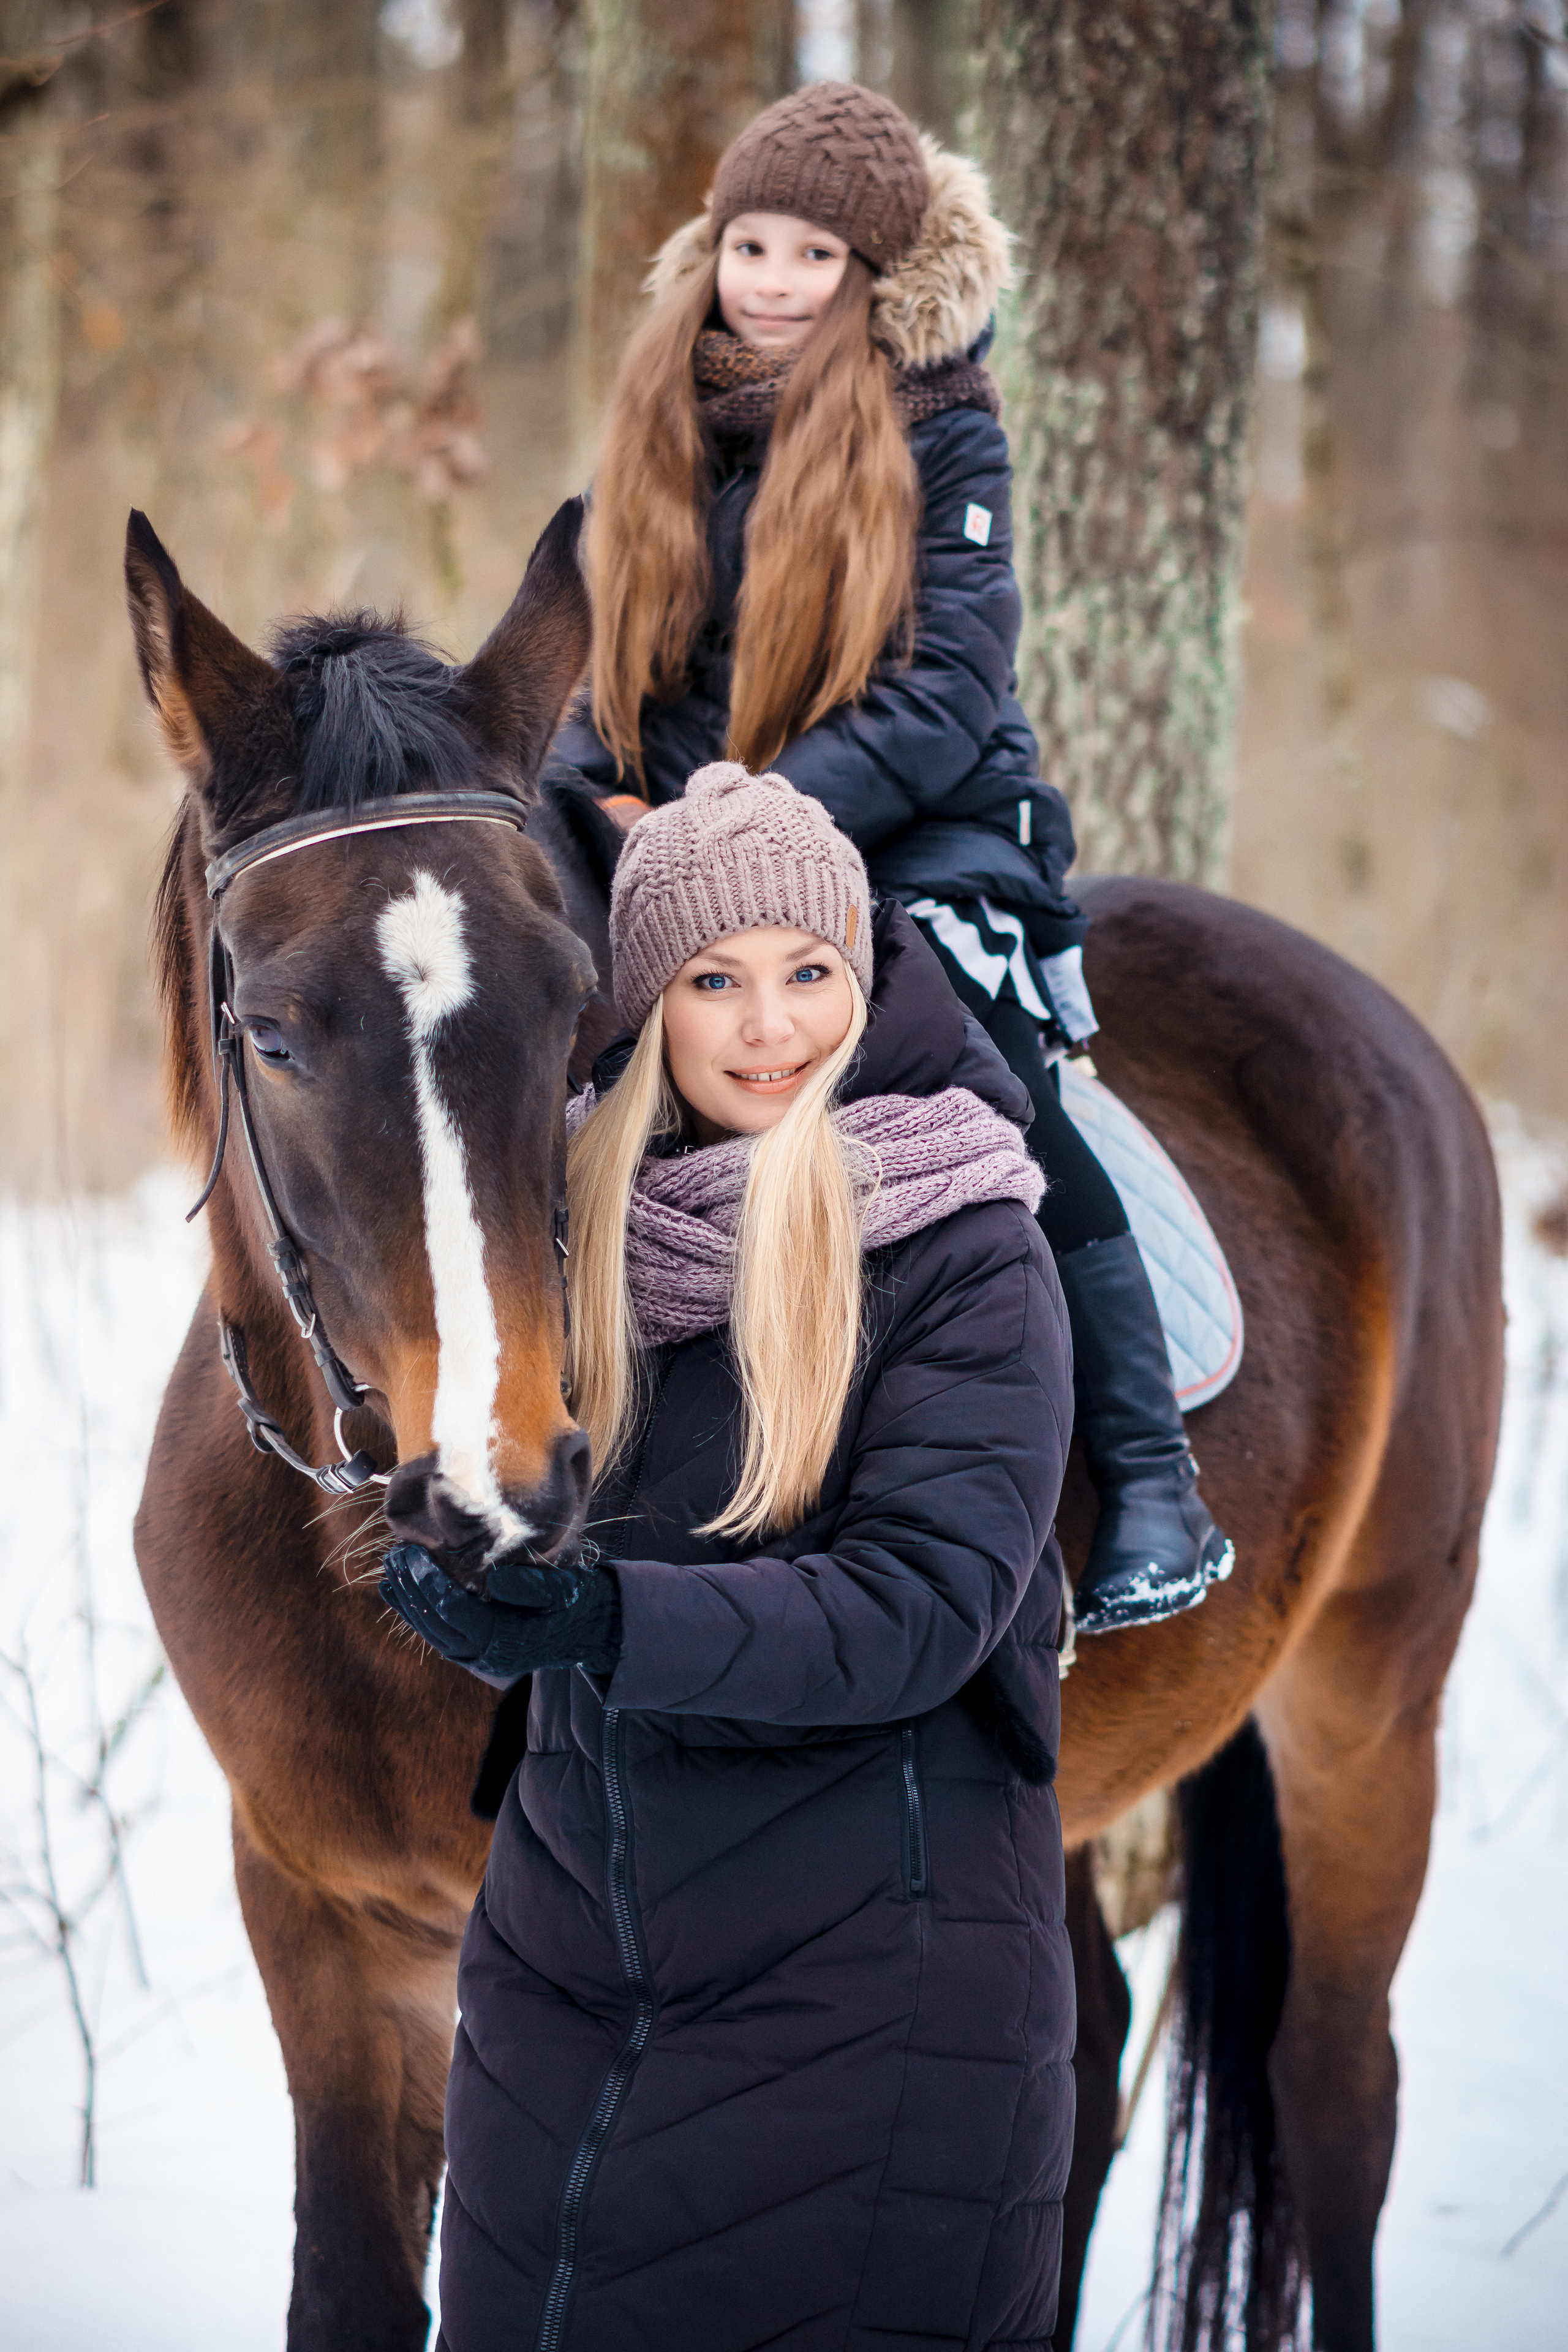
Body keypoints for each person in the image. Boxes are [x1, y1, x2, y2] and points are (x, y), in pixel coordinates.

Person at [382, 764, 1077, 2351]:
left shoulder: (964, 1242)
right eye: (715, 980)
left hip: (868, 2000)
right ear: (651, 1009)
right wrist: (486, 1595)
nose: (771, 1028)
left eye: (807, 972)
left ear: (864, 975)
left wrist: (604, 1619)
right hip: (563, 1983)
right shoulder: (576, 1232)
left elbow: (925, 1606)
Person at [556, 78, 1231, 1634]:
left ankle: (1143, 1479)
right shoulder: (656, 430)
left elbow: (945, 697)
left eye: (813, 258)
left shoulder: (948, 441)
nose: (775, 284)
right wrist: (586, 802)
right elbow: (580, 671)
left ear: (872, 279)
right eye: (751, 247)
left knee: (973, 1063)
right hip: (668, 839)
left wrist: (752, 826)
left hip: (919, 825)